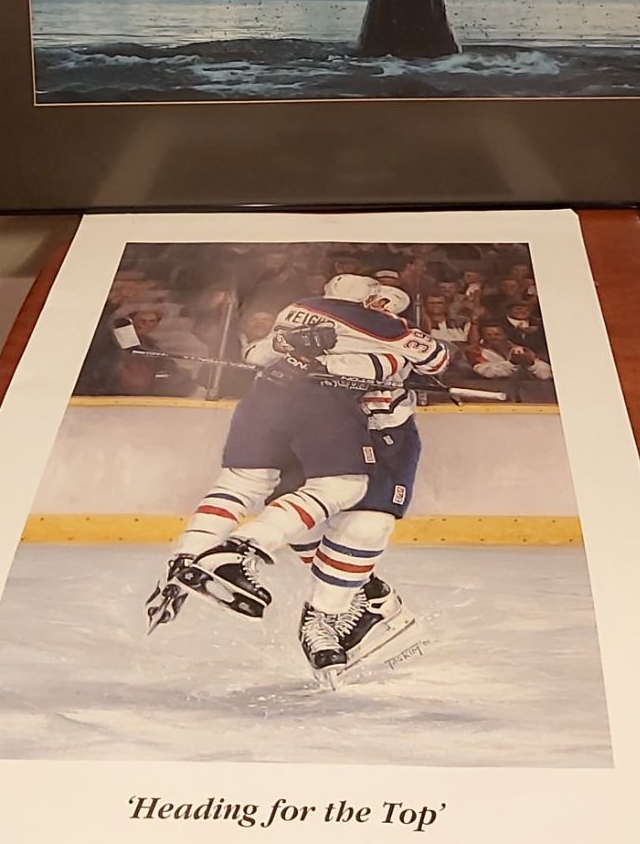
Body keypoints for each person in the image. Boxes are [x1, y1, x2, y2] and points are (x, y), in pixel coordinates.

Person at [145, 274, 445, 679]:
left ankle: (326, 617)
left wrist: (307, 358)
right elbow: (260, 352)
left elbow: (411, 361)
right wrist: (292, 351)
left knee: (365, 525)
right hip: (322, 423)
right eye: (377, 299)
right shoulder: (336, 322)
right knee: (306, 523)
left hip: (382, 435)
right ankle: (358, 601)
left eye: (388, 303)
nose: (380, 307)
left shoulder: (386, 334)